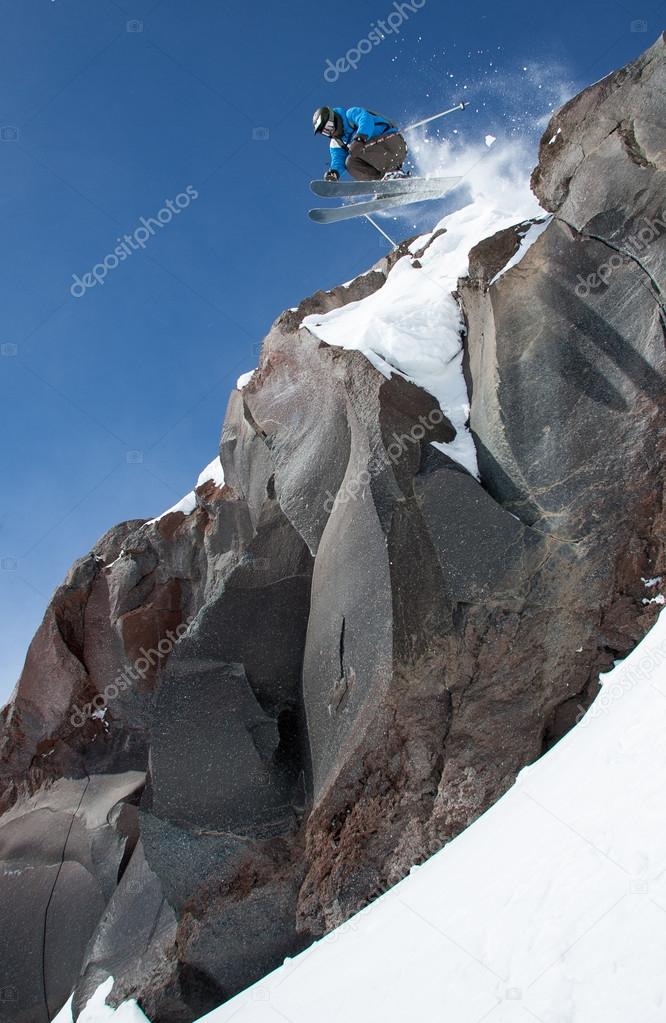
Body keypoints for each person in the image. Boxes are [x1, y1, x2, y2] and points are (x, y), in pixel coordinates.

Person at [312, 106, 408, 182]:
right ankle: (384, 183)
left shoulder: (350, 114)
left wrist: (360, 138)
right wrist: (334, 172)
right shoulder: (336, 143)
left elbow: (365, 120)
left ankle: (395, 173)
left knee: (355, 149)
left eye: (329, 127)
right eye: (325, 132)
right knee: (350, 163)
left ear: (334, 118)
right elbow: (338, 160)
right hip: (378, 160)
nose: (330, 132)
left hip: (392, 143)